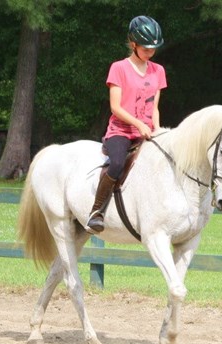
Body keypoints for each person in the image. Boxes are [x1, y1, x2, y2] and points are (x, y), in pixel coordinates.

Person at [86, 15, 167, 234]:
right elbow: (116, 108)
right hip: (121, 131)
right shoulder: (119, 68)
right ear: (133, 44)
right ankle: (97, 212)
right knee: (117, 164)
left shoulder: (158, 71)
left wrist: (157, 130)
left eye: (153, 49)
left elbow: (154, 107)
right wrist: (139, 124)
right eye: (146, 48)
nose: (151, 52)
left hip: (147, 132)